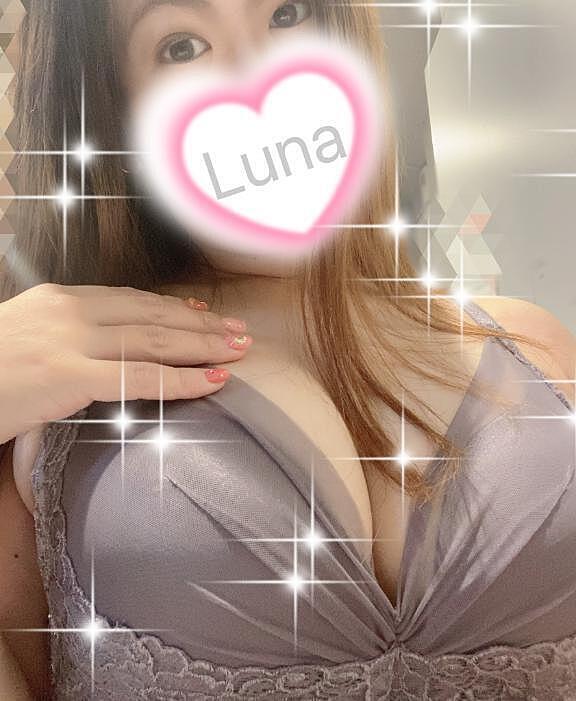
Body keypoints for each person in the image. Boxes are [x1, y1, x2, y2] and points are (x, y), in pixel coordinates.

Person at [0, 0, 575, 698]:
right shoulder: (54, 393)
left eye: (287, 12)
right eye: (180, 46)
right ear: (117, 115)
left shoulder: (533, 346)